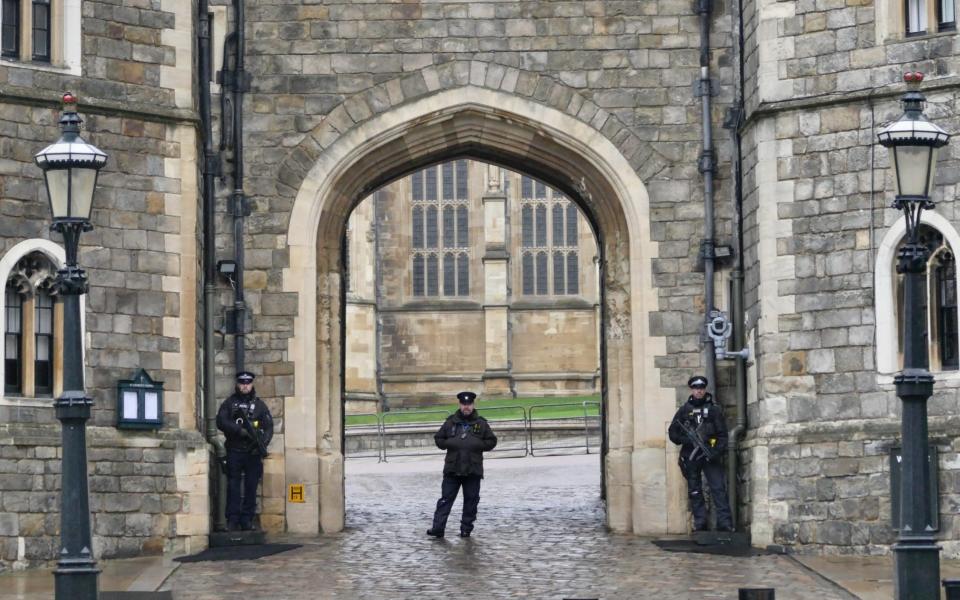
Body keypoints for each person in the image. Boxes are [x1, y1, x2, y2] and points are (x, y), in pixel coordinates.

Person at [426, 391, 498, 538]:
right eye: (464, 404)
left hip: (473, 469)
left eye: (469, 404)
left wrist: (478, 444)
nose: (467, 407)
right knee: (445, 500)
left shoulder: (481, 423)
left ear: (473, 405)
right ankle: (438, 529)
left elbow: (492, 441)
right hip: (453, 469)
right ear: (460, 405)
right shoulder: (451, 422)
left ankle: (466, 529)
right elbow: (439, 438)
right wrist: (449, 443)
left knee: (471, 501)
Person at [668, 375, 733, 532]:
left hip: (710, 455)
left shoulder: (714, 410)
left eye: (702, 388)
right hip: (691, 456)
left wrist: (714, 451)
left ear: (705, 389)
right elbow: (673, 433)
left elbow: (723, 435)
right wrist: (688, 440)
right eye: (696, 389)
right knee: (695, 491)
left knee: (718, 488)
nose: (699, 391)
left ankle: (724, 524)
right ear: (692, 389)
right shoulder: (684, 411)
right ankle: (700, 524)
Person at [216, 371, 274, 531]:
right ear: (237, 384)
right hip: (234, 450)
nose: (245, 386)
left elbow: (269, 427)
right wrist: (238, 430)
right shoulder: (230, 403)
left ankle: (247, 519)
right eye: (242, 383)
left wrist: (262, 443)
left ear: (252, 384)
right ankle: (232, 519)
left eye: (248, 383)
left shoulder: (260, 406)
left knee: (251, 485)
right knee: (233, 485)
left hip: (253, 453)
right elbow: (220, 421)